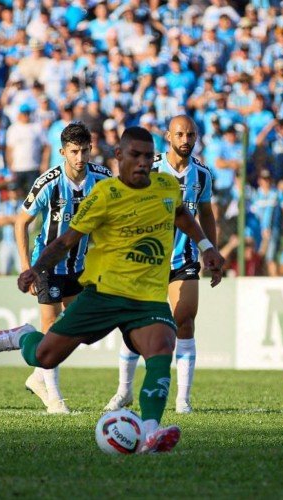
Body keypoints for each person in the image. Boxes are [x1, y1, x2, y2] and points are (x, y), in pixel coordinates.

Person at [0, 127, 225, 453]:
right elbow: (66, 240)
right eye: (134, 155)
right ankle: (23, 336)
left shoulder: (166, 186)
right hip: (102, 293)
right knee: (45, 354)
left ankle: (151, 430)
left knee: (162, 346)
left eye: (148, 156)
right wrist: (35, 269)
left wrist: (207, 246)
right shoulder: (104, 194)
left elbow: (182, 215)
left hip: (147, 296)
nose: (142, 163)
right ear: (119, 157)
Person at [106, 115, 215, 415]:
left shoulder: (203, 174)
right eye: (180, 134)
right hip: (146, 259)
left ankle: (183, 400)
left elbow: (206, 215)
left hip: (185, 258)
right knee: (133, 325)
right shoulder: (149, 168)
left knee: (185, 320)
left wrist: (211, 251)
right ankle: (124, 391)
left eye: (191, 134)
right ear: (168, 136)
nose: (186, 140)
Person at [10, 122, 111, 414]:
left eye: (84, 151)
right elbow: (21, 222)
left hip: (80, 267)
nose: (80, 157)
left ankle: (38, 372)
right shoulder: (49, 182)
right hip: (48, 265)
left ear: (91, 149)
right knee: (52, 327)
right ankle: (54, 398)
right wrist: (27, 267)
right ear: (62, 152)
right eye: (74, 151)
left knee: (82, 330)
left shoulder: (103, 179)